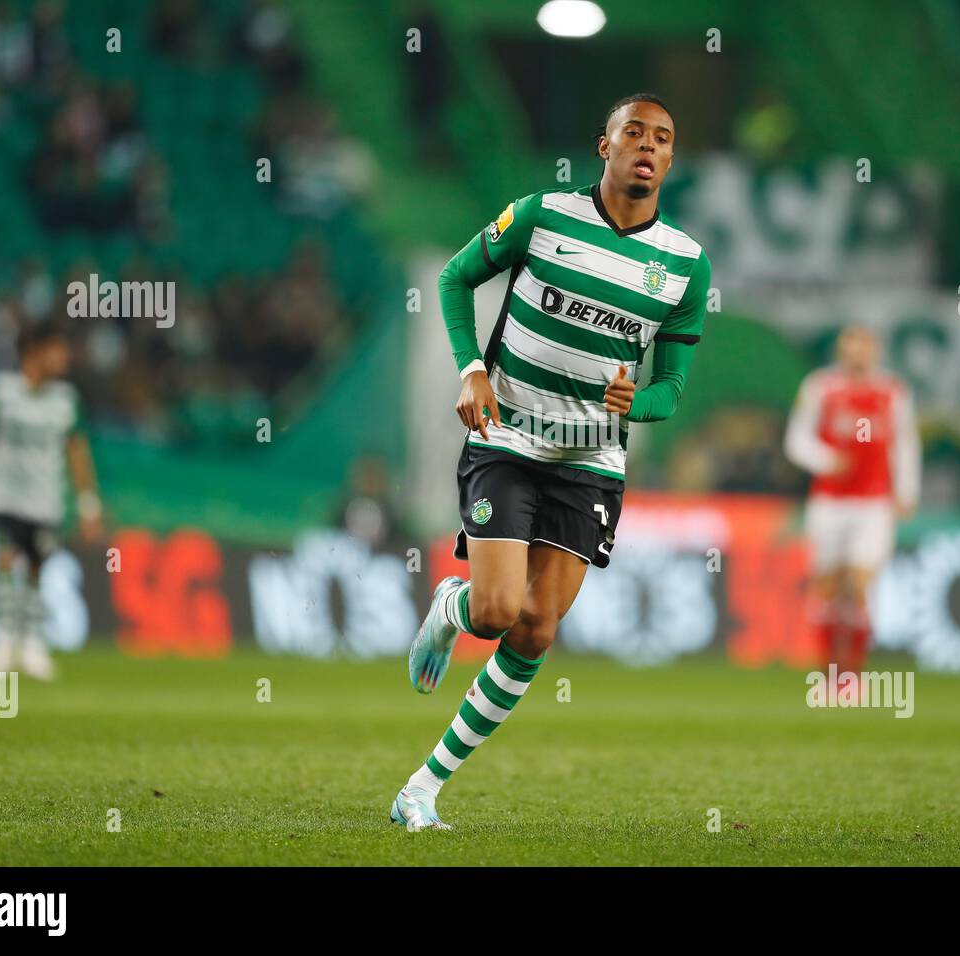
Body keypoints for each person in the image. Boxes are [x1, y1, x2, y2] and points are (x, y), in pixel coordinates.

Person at [390, 93, 712, 830]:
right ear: (604, 146)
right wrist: (471, 369)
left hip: (591, 460)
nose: (648, 146)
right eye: (634, 131)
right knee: (497, 610)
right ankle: (454, 605)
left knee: (536, 629)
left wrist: (642, 403)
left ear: (670, 158)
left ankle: (423, 788)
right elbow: (452, 278)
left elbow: (670, 388)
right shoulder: (541, 215)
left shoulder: (686, 266)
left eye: (663, 138)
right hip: (507, 438)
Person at [0, 321, 103, 679]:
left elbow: (78, 453)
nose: (63, 358)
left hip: (45, 503)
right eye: (56, 350)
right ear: (34, 351)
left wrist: (88, 504)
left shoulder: (66, 401)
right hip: (3, 497)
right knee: (3, 561)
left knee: (35, 571)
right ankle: (3, 639)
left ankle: (31, 643)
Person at [783, 326, 919, 679]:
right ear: (841, 352)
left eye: (864, 348)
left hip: (873, 504)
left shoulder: (892, 392)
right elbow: (796, 440)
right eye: (851, 348)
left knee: (859, 585)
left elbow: (905, 443)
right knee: (826, 587)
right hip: (829, 502)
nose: (858, 355)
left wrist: (907, 490)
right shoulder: (820, 387)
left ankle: (852, 673)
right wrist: (827, 460)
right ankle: (828, 669)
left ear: (875, 351)